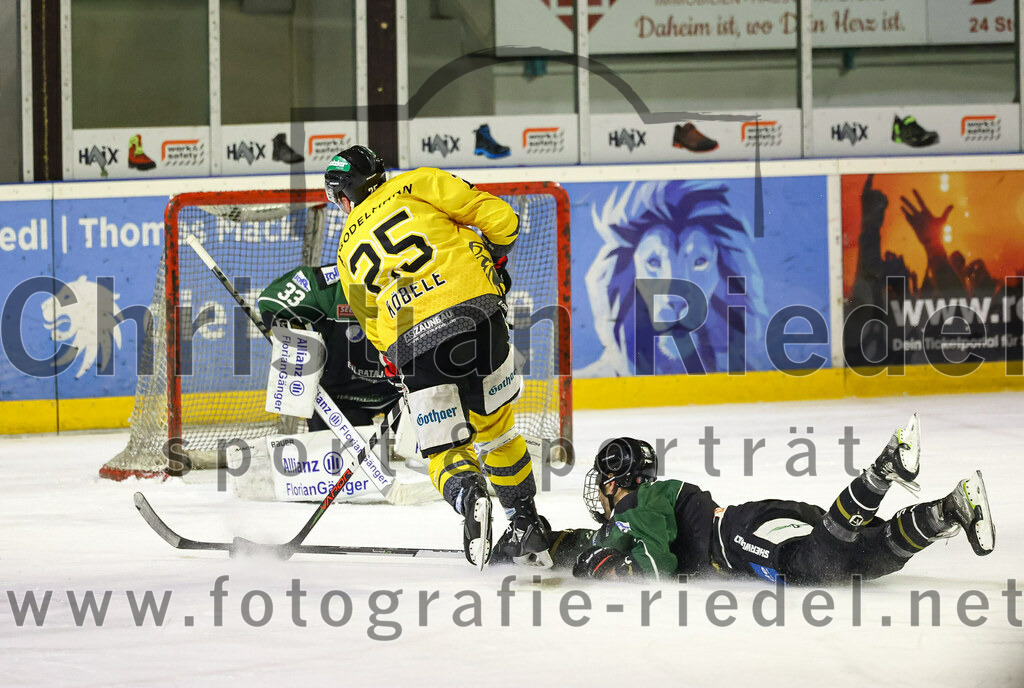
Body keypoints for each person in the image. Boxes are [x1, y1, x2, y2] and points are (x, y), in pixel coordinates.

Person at [323, 144, 551, 569]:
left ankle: (469, 498)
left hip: (413, 342)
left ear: (342, 197)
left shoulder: (346, 252)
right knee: (497, 431)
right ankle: (525, 524)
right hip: (478, 317)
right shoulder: (420, 182)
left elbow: (372, 325)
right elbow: (503, 221)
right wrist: (494, 260)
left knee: (444, 449)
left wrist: (396, 369)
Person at [549, 415, 994, 583]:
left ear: (615, 481)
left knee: (810, 565)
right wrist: (546, 544)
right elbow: (601, 540)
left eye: (603, 481)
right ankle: (949, 510)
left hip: (741, 534)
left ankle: (884, 470)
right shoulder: (637, 510)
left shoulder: (639, 503)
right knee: (861, 562)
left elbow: (654, 562)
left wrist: (612, 570)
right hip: (756, 521)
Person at [256, 265, 401, 430]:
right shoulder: (328, 285)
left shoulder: (421, 277)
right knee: (334, 455)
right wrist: (295, 345)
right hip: (338, 397)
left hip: (404, 392)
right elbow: (272, 303)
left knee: (429, 449)